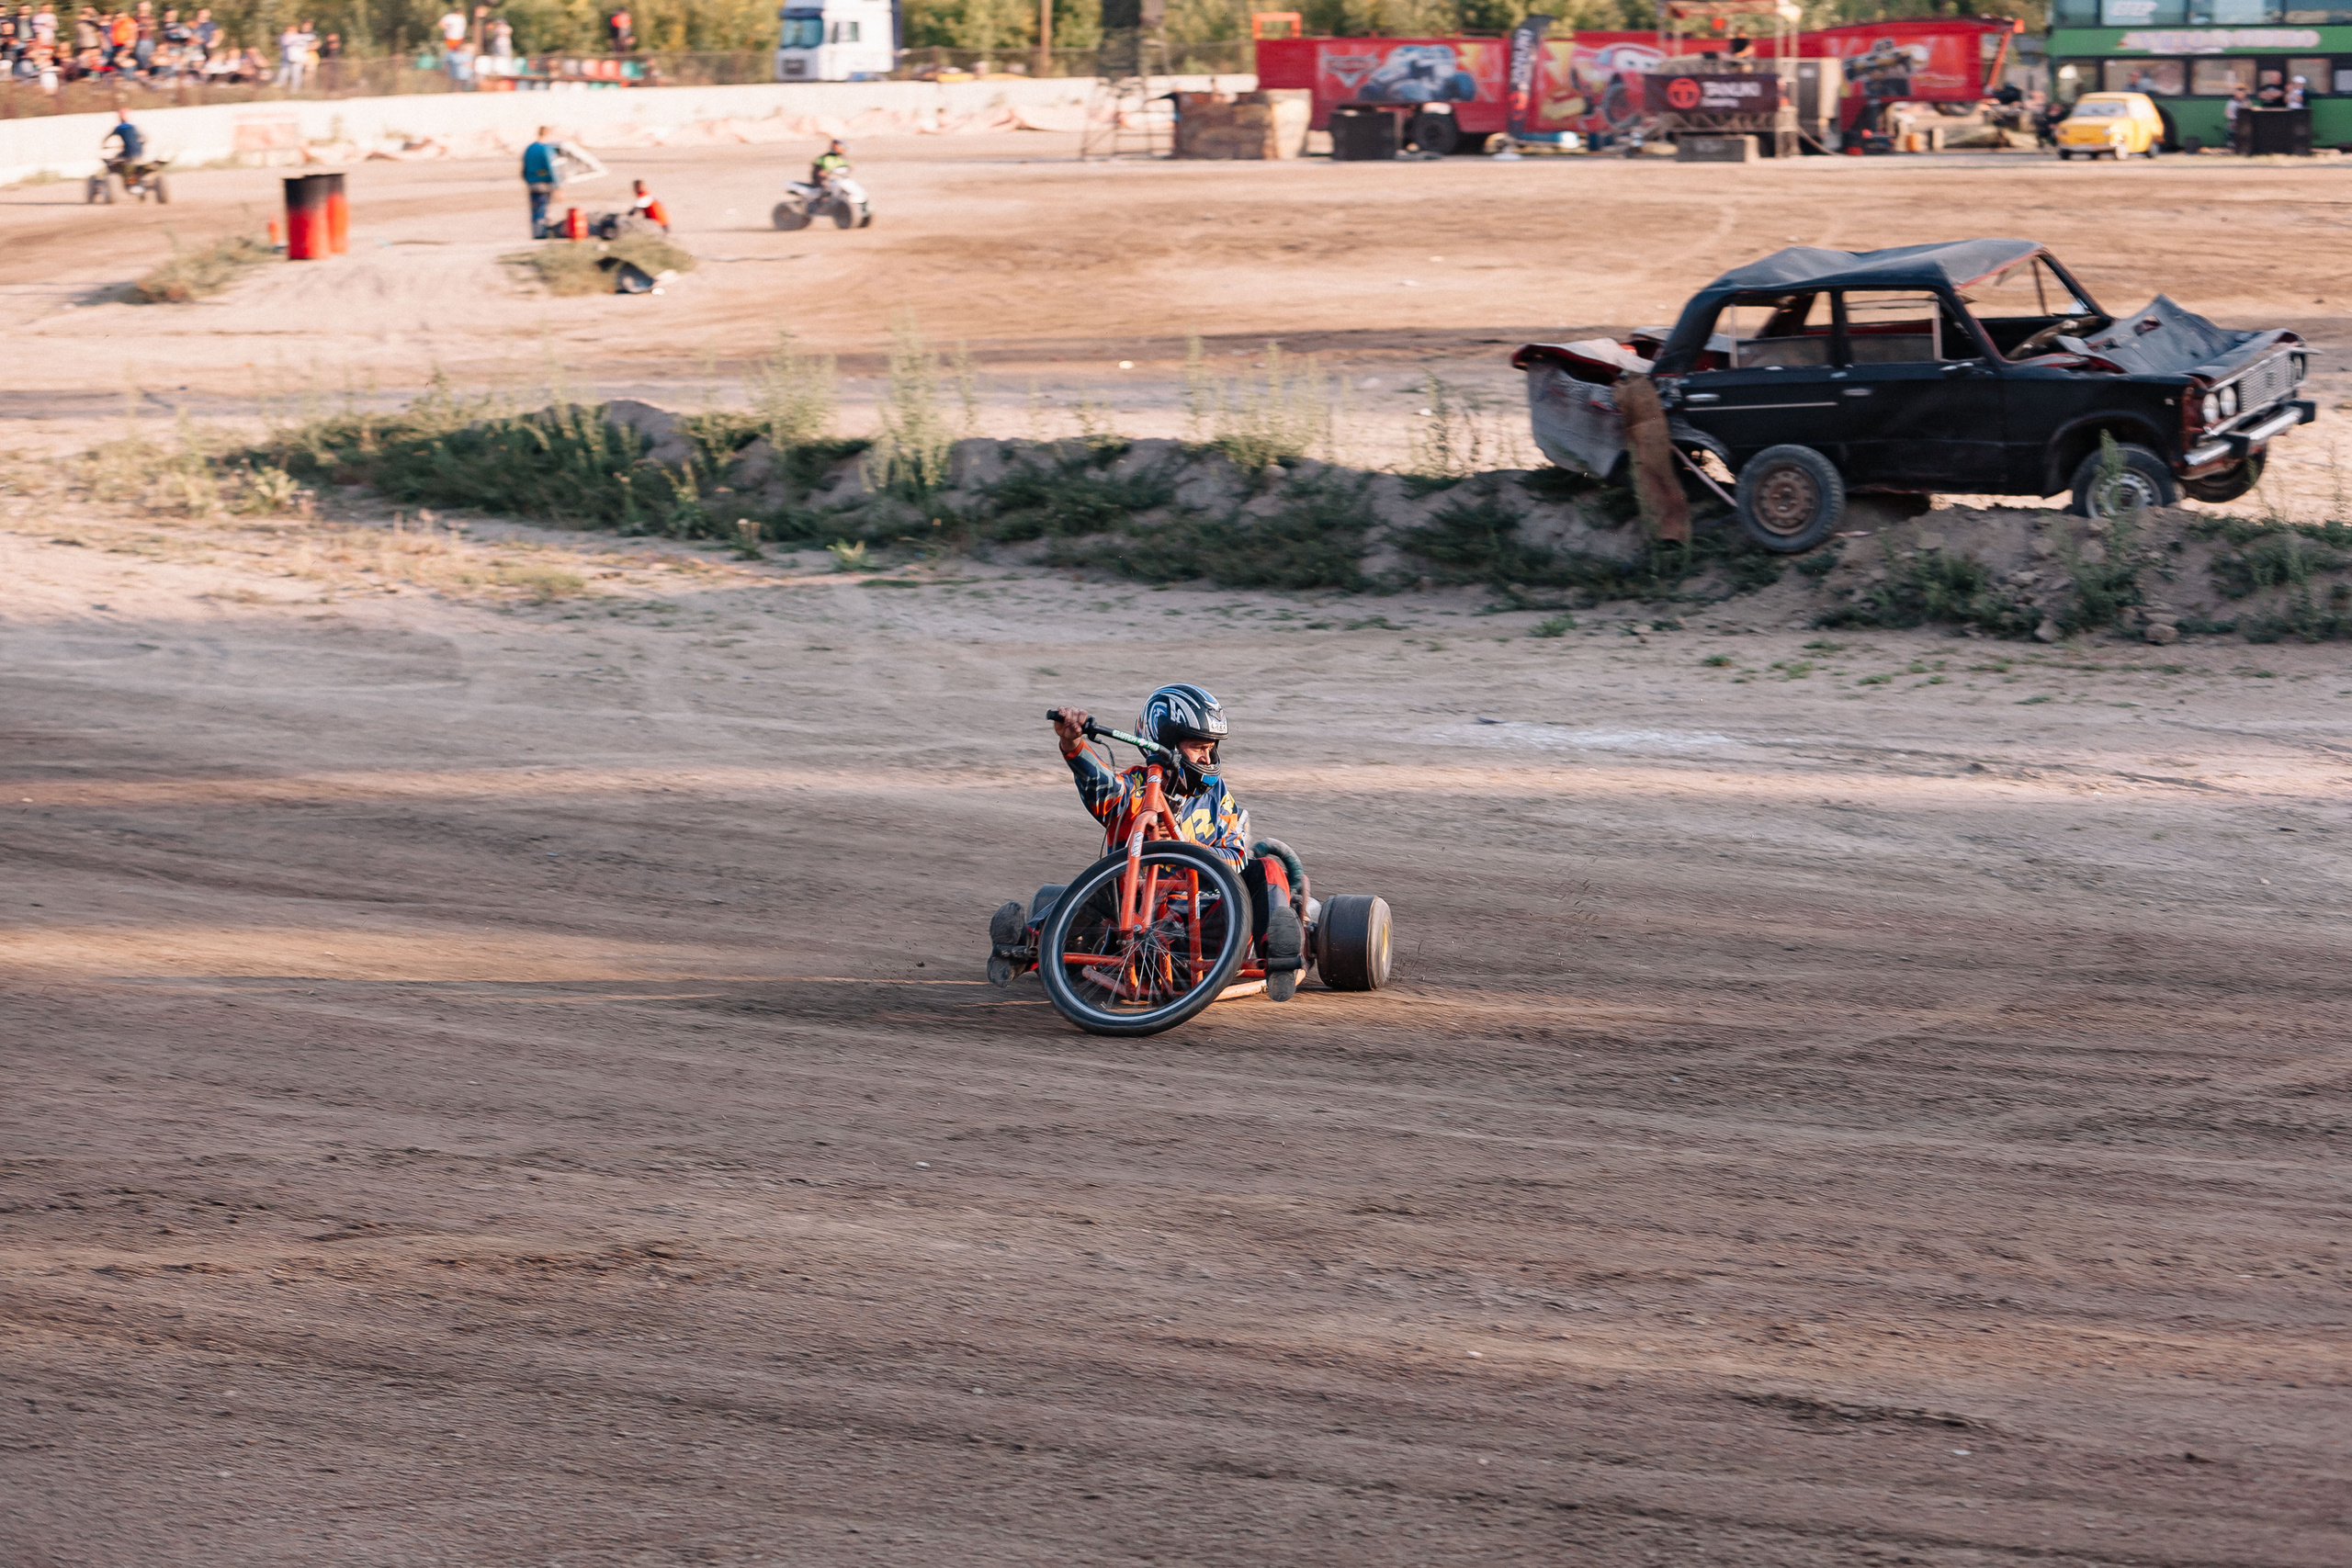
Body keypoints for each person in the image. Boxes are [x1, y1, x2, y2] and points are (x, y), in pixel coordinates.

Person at [521, 124, 561, 236]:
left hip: (532, 183)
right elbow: (552, 168)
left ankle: (535, 233)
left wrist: (529, 180)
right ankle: (540, 233)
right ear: (546, 134)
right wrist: (558, 187)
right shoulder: (546, 149)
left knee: (534, 209)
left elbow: (523, 169)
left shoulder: (529, 148)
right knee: (542, 209)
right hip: (544, 184)